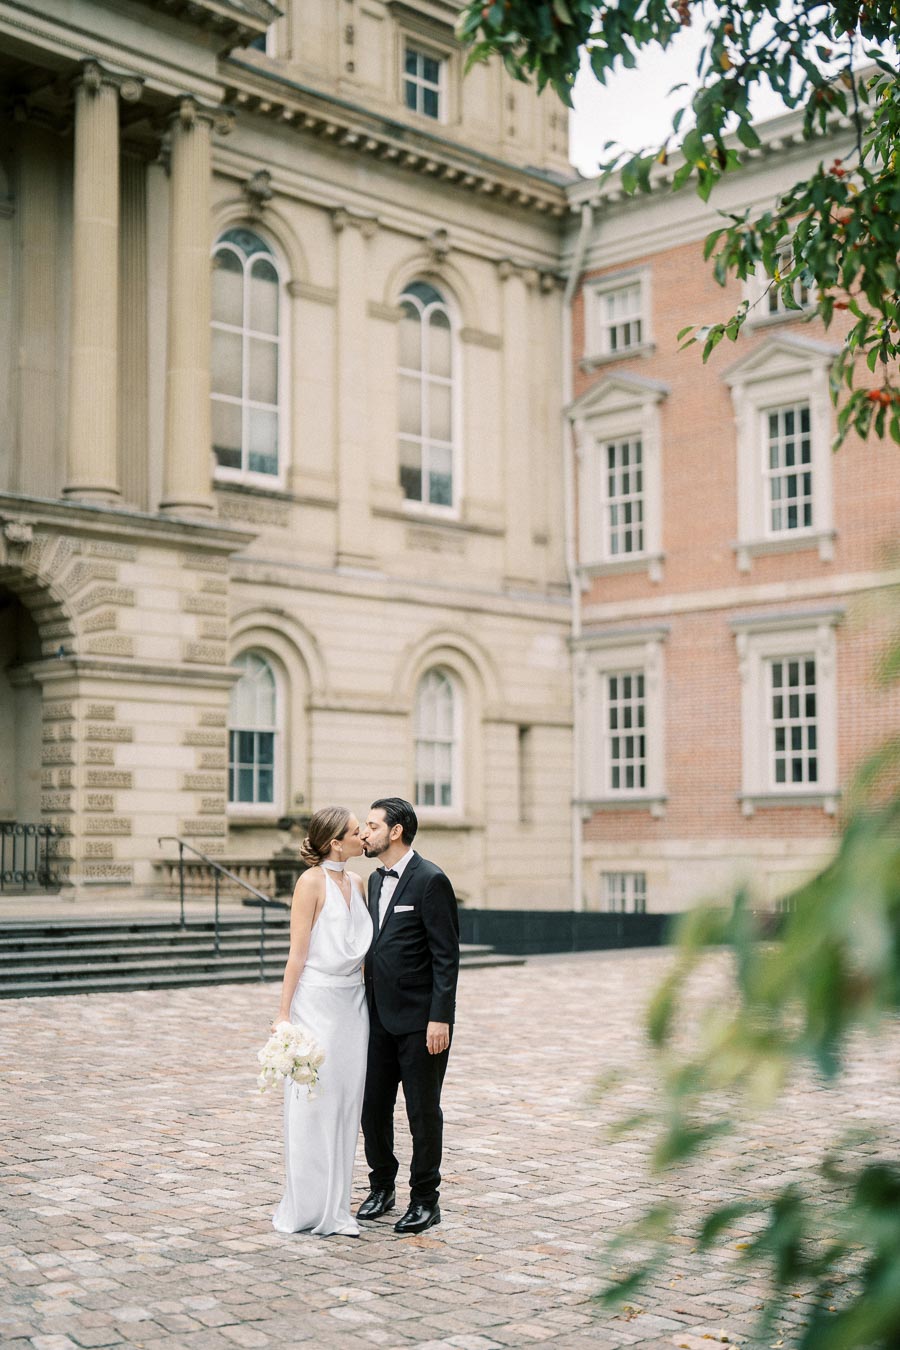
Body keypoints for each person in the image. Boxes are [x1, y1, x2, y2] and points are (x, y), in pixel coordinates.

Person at [357, 797, 460, 1235]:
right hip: (376, 1018)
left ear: (395, 831)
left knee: (422, 1112)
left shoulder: (431, 880)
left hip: (421, 1023)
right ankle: (382, 1186)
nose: (364, 832)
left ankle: (425, 1200)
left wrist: (441, 1018)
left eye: (372, 825)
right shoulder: (375, 881)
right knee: (372, 1109)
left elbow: (446, 957)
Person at [271, 805, 373, 1237]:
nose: (363, 836)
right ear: (335, 842)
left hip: (355, 1005)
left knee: (348, 1102)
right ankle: (308, 1207)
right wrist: (283, 1013)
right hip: (317, 1003)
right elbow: (297, 953)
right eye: (355, 832)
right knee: (315, 1102)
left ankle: (338, 1209)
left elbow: (366, 959)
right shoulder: (309, 883)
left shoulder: (360, 882)